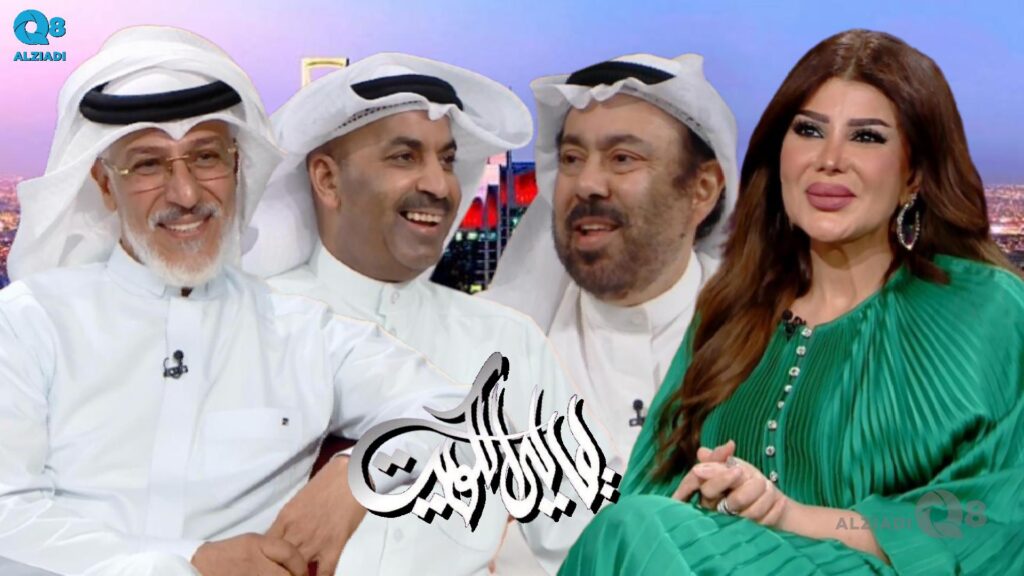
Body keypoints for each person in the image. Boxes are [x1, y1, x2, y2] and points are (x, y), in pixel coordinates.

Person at [0, 27, 470, 576]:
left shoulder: (303, 332)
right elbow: (8, 513)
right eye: (148, 164)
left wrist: (358, 471)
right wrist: (193, 564)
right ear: (105, 185)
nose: (185, 194)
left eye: (206, 157)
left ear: (238, 168)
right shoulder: (31, 323)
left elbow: (462, 417)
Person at [560, 29, 1024, 576]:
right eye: (809, 131)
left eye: (866, 137)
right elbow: (649, 492)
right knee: (630, 526)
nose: (830, 159)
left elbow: (995, 519)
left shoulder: (987, 309)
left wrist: (789, 515)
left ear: (914, 175)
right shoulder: (732, 309)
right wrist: (710, 490)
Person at [242, 53, 593, 576]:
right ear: (327, 180)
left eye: (447, 160)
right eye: (404, 157)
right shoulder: (246, 327)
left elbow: (583, 539)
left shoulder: (507, 344)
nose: (439, 184)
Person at [486, 53, 739, 475]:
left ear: (703, 189)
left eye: (623, 158)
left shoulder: (774, 336)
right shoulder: (488, 346)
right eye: (571, 159)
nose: (587, 184)